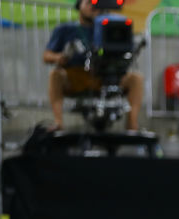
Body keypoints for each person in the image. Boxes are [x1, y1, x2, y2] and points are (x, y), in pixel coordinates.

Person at [44, 0, 144, 131]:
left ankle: (132, 125)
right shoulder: (65, 29)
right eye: (88, 2)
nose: (93, 6)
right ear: (79, 5)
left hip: (105, 76)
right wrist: (59, 57)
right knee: (55, 75)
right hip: (76, 76)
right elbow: (47, 55)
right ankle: (58, 123)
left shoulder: (109, 28)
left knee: (136, 79)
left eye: (96, 3)